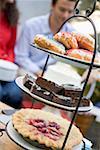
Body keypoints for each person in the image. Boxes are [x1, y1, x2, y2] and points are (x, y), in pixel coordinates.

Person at [15, 0, 76, 77]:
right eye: (62, 10)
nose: (65, 16)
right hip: (28, 71)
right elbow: (20, 56)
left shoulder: (72, 33)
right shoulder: (31, 26)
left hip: (52, 76)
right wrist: (39, 72)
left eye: (70, 11)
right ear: (52, 5)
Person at [0, 0, 23, 108]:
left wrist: (8, 61)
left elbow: (11, 47)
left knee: (15, 94)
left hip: (4, 69)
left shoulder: (11, 15)